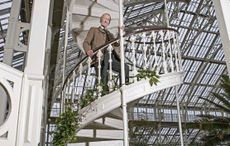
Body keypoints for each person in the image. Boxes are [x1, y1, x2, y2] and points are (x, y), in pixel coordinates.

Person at [83, 13, 129, 87]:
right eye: (105, 18)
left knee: (125, 67)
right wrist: (88, 50)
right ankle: (104, 92)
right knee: (103, 79)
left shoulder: (109, 34)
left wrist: (120, 33)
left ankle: (124, 86)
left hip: (111, 58)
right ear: (101, 19)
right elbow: (86, 42)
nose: (106, 20)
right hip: (99, 58)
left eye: (108, 19)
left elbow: (116, 44)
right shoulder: (94, 30)